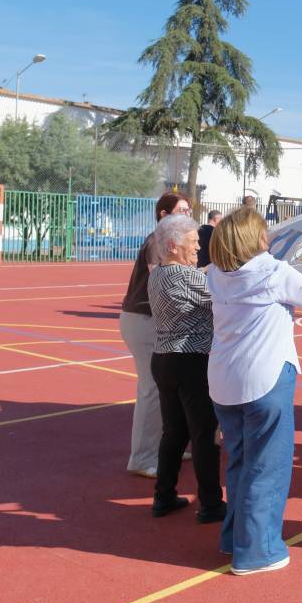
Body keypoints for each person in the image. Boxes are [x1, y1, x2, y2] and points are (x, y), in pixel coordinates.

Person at [207, 207, 302, 575]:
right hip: (264, 377)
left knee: (239, 461)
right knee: (267, 464)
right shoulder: (272, 272)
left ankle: (233, 537)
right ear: (257, 239)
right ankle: (257, 550)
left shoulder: (216, 275)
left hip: (223, 380)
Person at [146, 214, 225, 523]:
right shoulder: (186, 277)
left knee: (174, 433)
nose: (198, 248)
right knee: (205, 434)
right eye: (193, 243)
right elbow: (223, 297)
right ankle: (210, 503)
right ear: (173, 246)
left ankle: (163, 496)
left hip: (164, 359)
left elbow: (199, 279)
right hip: (191, 360)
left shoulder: (157, 274)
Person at [120, 192, 192, 479]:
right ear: (164, 215)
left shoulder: (173, 243)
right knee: (151, 389)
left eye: (189, 210)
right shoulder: (157, 242)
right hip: (144, 319)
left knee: (168, 386)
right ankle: (142, 457)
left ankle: (167, 446)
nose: (187, 215)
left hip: (154, 320)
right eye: (182, 210)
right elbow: (163, 279)